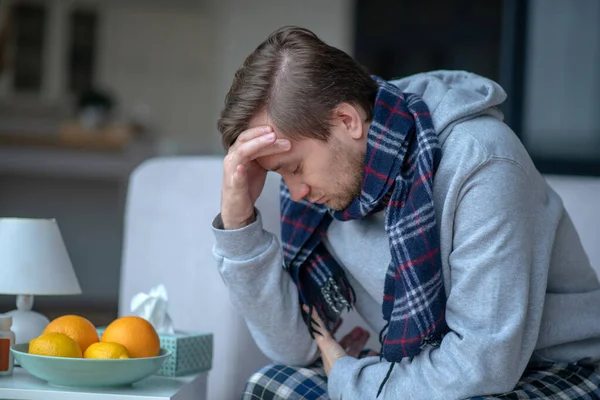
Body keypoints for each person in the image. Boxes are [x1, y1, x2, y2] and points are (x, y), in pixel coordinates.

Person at [211, 26, 600, 399]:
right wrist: (239, 226)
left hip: (551, 366)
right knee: (272, 384)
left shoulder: (482, 162)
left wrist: (349, 380)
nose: (296, 192)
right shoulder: (330, 191)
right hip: (412, 368)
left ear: (347, 121)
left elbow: (484, 365)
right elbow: (295, 347)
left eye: (295, 168)